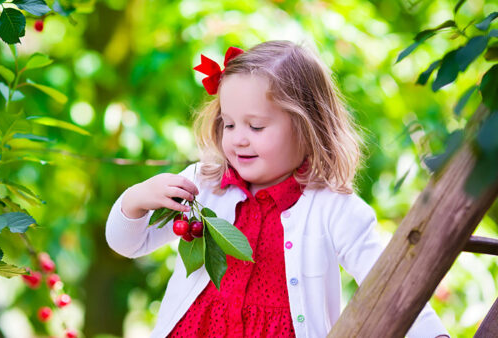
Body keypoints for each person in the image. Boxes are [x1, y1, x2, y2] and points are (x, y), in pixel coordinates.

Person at [105, 40, 449, 338]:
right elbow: (128, 244)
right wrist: (135, 202)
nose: (238, 138)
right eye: (229, 123)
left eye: (256, 126)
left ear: (307, 126)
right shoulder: (204, 184)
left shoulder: (332, 208)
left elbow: (389, 282)